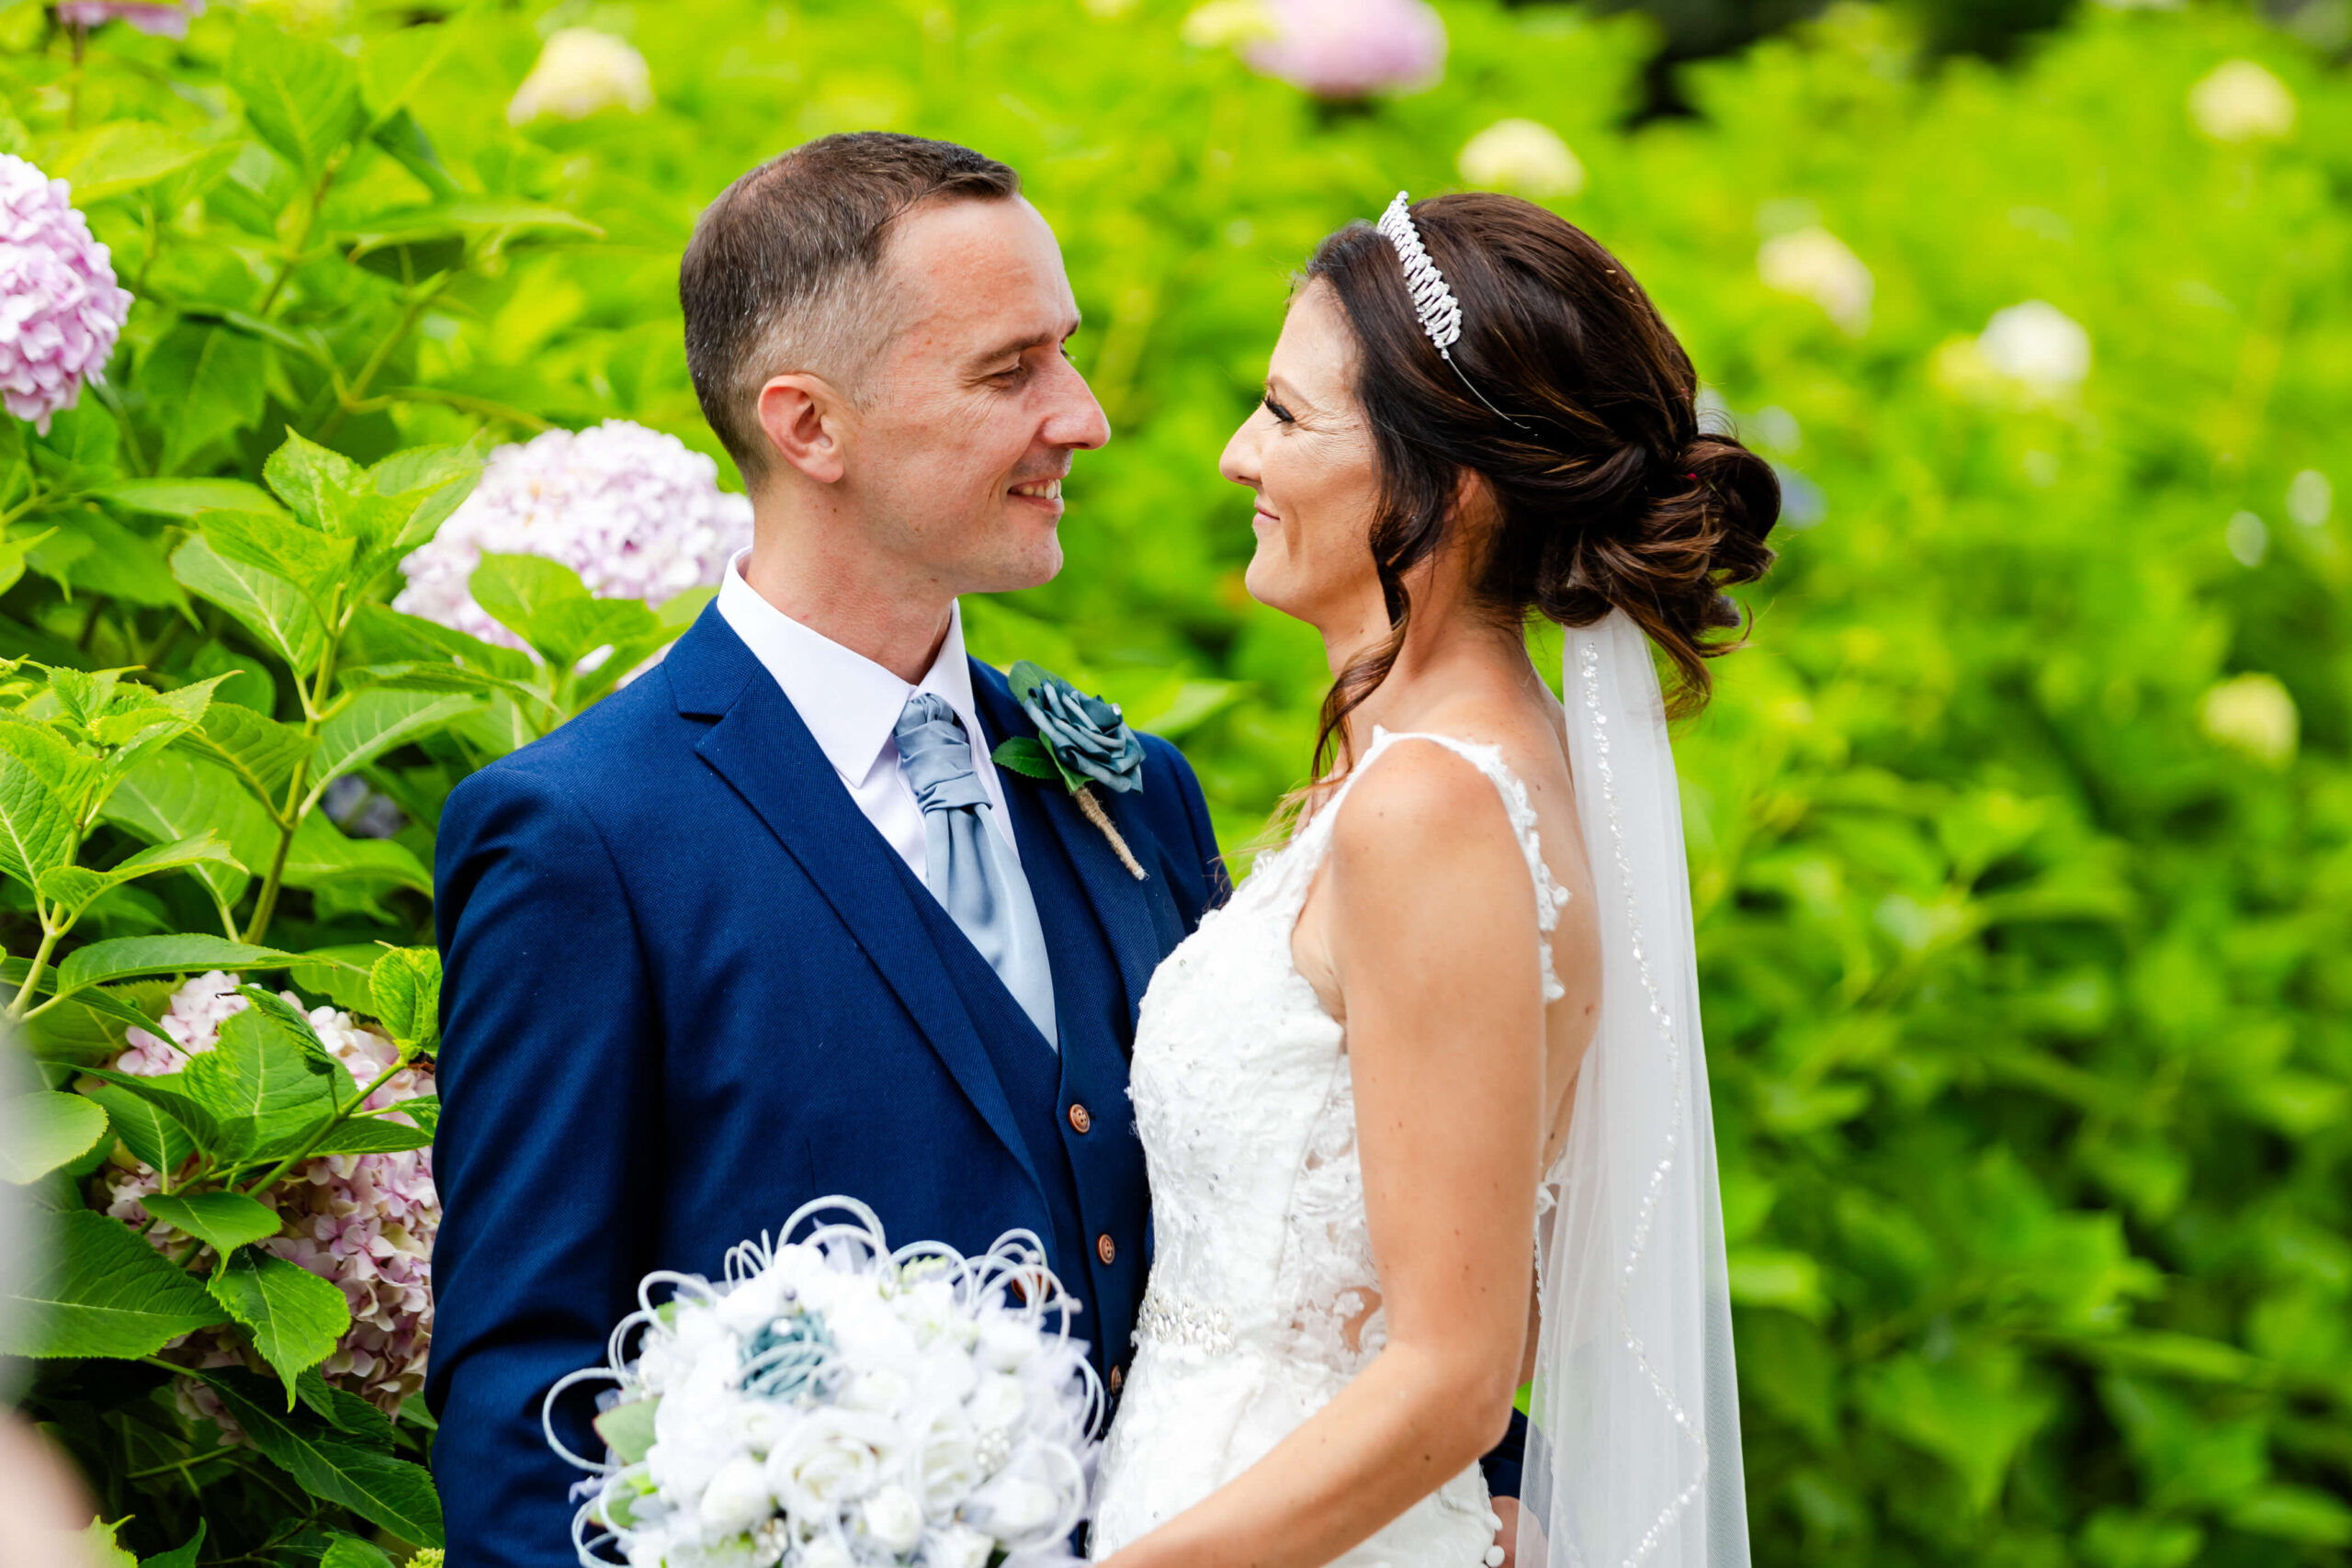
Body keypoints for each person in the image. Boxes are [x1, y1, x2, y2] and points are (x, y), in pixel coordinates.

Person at [423, 133, 1235, 1567]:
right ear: (809, 426)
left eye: (1070, 353)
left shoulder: (1135, 796)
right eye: (1010, 372)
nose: (1086, 416)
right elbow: (522, 1405)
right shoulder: (584, 837)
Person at [1088, 193, 1773, 1568]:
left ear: (1445, 487)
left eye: (1284, 417)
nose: (1237, 456)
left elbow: (1459, 1375)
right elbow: (1526, 1290)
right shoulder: (1470, 774)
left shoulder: (1435, 808)